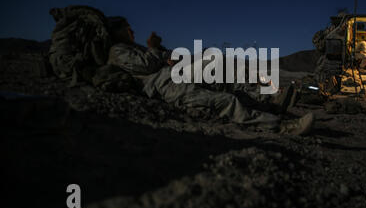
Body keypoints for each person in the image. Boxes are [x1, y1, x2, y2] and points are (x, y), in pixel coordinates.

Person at [106, 19, 314, 134]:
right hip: (164, 85)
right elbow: (145, 66)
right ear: (117, 32)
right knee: (225, 100)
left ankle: (268, 102)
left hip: (174, 74)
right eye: (127, 28)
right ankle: (281, 126)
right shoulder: (117, 51)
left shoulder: (132, 48)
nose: (132, 31)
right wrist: (154, 49)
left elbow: (155, 61)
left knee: (218, 69)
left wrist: (165, 56)